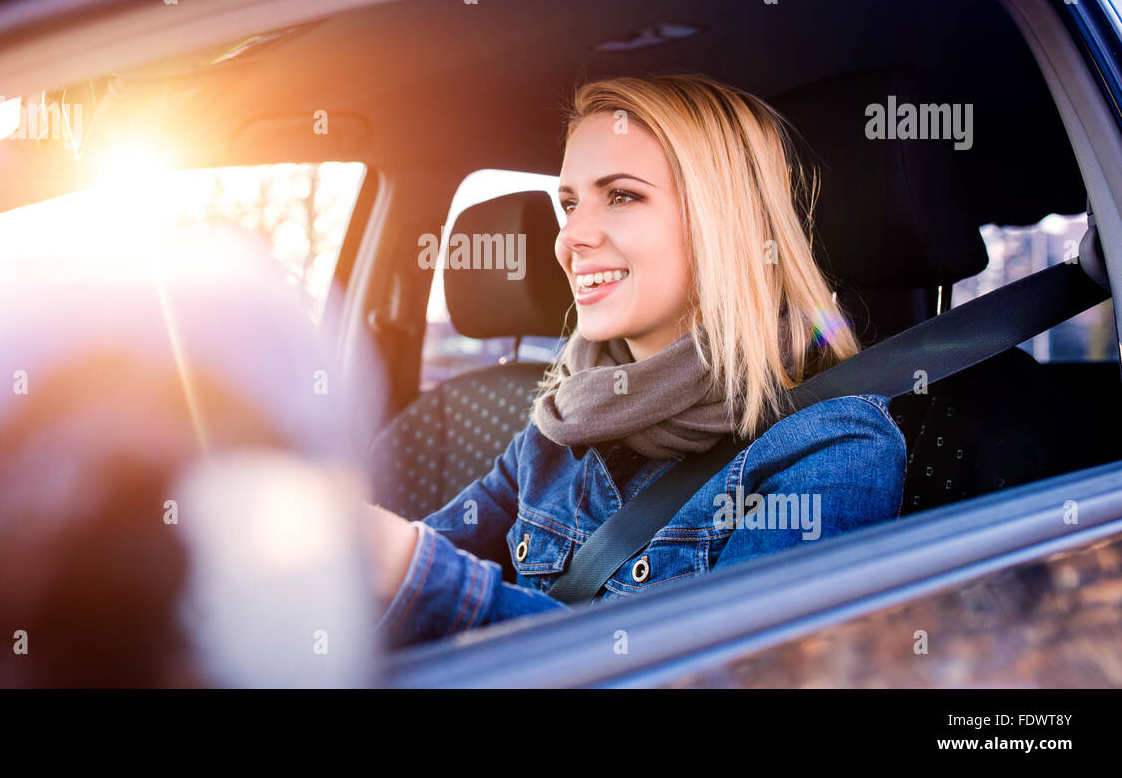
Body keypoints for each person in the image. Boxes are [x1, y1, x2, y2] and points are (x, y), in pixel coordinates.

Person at [364, 72, 908, 650]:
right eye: (569, 203)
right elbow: (407, 562)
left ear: (721, 225)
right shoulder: (558, 429)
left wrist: (419, 577)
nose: (570, 235)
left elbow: (726, 678)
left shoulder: (832, 449)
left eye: (621, 195)